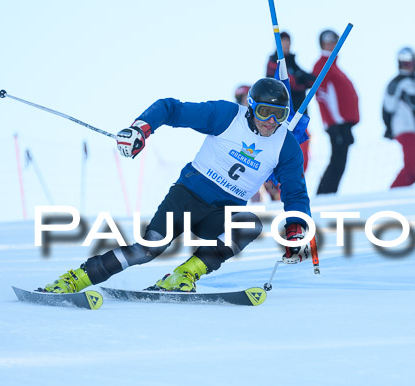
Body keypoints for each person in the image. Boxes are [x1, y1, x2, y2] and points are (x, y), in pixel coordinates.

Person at [43, 78, 311, 294]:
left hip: (223, 212)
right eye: (265, 112)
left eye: (279, 115)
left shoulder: (285, 145)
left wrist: (297, 229)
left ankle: (183, 275)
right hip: (188, 197)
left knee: (250, 224)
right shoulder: (227, 115)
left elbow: (295, 192)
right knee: (148, 249)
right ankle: (75, 279)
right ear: (251, 107)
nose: (270, 122)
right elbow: (171, 108)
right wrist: (141, 129)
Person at [313, 29, 360, 195]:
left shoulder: (333, 66)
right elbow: (324, 95)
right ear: (322, 44)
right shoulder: (323, 66)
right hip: (337, 124)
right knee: (337, 161)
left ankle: (328, 194)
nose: (332, 45)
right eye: (328, 41)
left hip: (342, 123)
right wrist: (337, 122)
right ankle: (325, 194)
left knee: (340, 160)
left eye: (335, 41)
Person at [266, 31, 315, 172]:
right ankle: (282, 188)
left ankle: (297, 185)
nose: (286, 45)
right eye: (283, 42)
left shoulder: (293, 62)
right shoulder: (273, 62)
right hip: (282, 118)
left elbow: (311, 80)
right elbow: (290, 83)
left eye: (288, 42)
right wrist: (300, 80)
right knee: (285, 155)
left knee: (302, 154)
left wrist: (301, 79)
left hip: (300, 115)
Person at [382, 47, 415, 188]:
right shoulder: (397, 83)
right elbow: (388, 107)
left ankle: (405, 194)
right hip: (405, 129)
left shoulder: (410, 83)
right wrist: (389, 128)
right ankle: (393, 193)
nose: (408, 68)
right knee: (411, 169)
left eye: (410, 64)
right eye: (404, 64)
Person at [235, 84, 281, 202]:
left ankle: (277, 206)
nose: (245, 102)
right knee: (252, 186)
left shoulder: (265, 118)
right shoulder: (238, 119)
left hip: (265, 157)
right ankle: (258, 209)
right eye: (242, 99)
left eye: (246, 97)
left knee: (274, 187)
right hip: (246, 158)